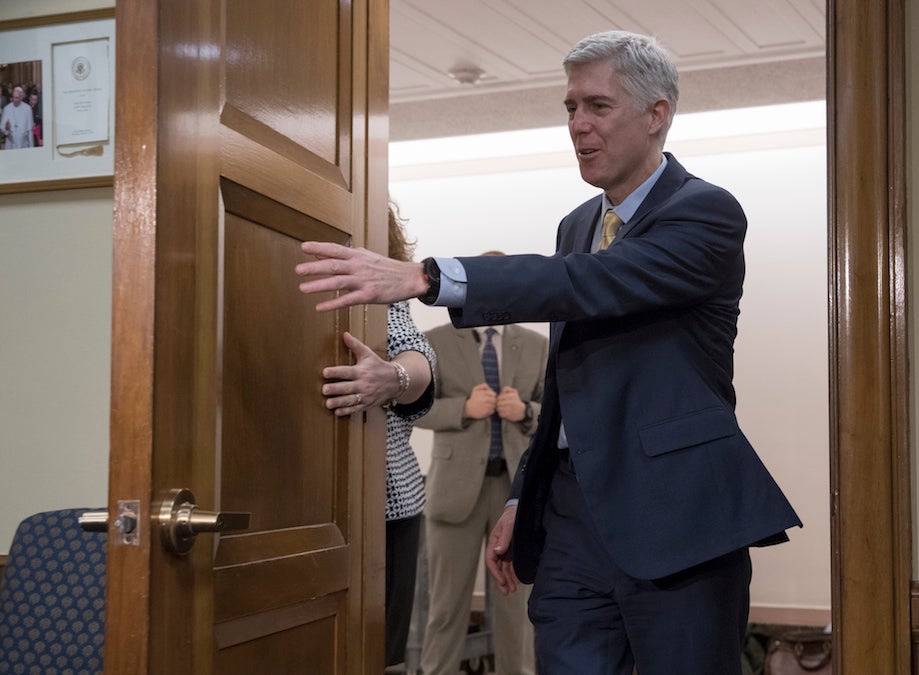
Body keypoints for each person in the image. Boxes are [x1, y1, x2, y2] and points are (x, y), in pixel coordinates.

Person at [296, 30, 802, 675]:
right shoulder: (576, 224)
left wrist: (430, 276)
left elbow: (593, 282)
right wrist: (521, 499)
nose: (578, 126)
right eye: (570, 108)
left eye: (598, 106)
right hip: (569, 520)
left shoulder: (706, 211)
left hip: (676, 516)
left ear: (657, 113)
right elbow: (570, 384)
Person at [316, 201, 435, 668]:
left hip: (389, 505)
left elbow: (417, 357)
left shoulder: (381, 294)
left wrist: (394, 379)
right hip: (300, 508)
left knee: (379, 656)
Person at [415, 253, 546, 675]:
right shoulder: (434, 341)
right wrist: (462, 409)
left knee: (516, 614)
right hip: (453, 494)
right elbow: (411, 410)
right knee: (445, 610)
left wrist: (526, 410)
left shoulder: (537, 345)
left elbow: (560, 415)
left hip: (514, 496)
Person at [0, 86, 34, 150]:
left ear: (21, 97)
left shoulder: (27, 108)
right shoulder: (6, 109)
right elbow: (1, 126)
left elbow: (30, 130)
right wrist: (6, 129)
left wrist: (32, 147)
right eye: (13, 97)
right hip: (10, 144)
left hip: (23, 144)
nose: (14, 100)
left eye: (17, 98)